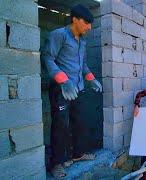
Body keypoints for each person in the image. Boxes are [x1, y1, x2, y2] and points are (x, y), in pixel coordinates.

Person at [41, 4, 102, 178]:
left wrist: (91, 79)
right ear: (75, 19)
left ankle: (78, 153)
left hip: (78, 89)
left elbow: (83, 66)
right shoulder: (59, 35)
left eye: (91, 24)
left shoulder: (82, 41)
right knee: (60, 126)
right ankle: (57, 163)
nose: (89, 27)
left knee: (81, 121)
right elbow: (48, 58)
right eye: (87, 23)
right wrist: (64, 81)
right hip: (62, 90)